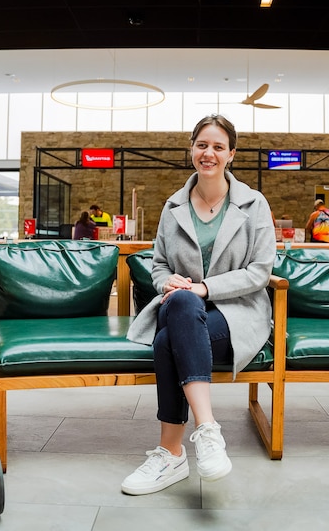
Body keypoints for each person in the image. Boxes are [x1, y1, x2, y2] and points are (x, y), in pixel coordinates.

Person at [122, 114, 275, 496]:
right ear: (191, 149)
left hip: (237, 315)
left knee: (165, 342)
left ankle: (171, 452)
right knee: (182, 303)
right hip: (182, 308)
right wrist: (166, 281)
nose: (209, 153)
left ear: (231, 155)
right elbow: (158, 265)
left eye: (218, 147)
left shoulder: (254, 204)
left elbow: (259, 272)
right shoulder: (173, 206)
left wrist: (204, 288)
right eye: (202, 145)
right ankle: (207, 432)